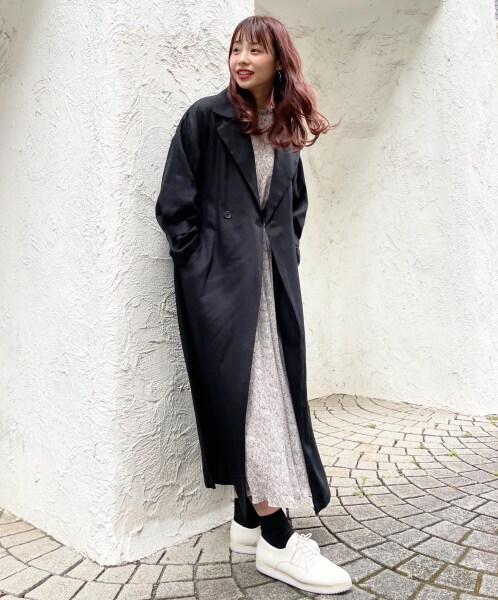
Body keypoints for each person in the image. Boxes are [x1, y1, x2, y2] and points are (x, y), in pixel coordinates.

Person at [155, 14, 351, 595]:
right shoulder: (204, 118)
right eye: (236, 48)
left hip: (273, 289)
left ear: (278, 61)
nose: (241, 59)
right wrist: (203, 266)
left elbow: (293, 209)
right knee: (254, 401)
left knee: (274, 395)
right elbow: (174, 205)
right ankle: (278, 539)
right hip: (223, 289)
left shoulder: (284, 133)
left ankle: (247, 520)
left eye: (255, 50)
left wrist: (282, 256)